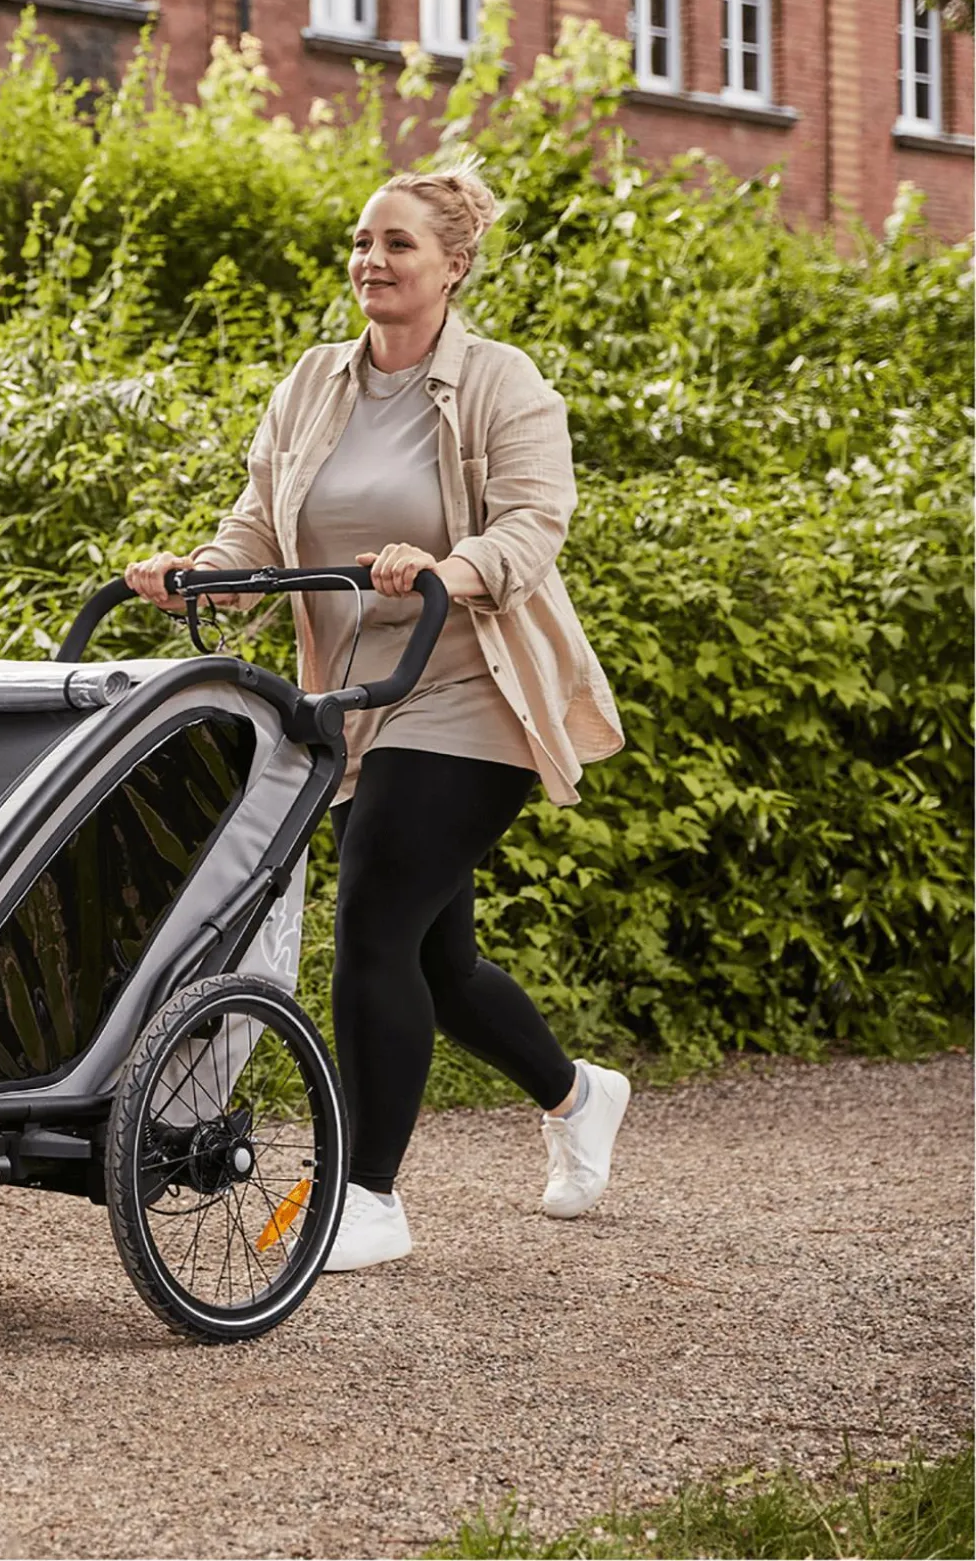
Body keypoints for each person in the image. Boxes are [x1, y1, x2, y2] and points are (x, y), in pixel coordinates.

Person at [125, 165, 629, 1271]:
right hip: (356, 702)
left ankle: (366, 1195)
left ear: (453, 266)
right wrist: (197, 573)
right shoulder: (314, 382)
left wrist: (446, 565)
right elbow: (259, 526)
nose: (371, 260)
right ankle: (576, 1093)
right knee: (439, 965)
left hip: (474, 688)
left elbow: (533, 525)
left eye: (397, 243)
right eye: (361, 241)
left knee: (370, 924)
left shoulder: (502, 383)